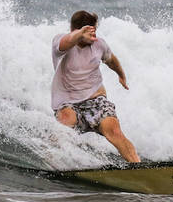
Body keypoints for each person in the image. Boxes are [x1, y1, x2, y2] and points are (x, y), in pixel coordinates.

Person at [51, 10, 140, 162]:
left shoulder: (99, 44)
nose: (94, 36)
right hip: (68, 103)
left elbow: (110, 60)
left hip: (96, 100)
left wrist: (121, 75)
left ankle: (138, 167)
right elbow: (67, 41)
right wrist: (79, 34)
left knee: (114, 130)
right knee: (66, 119)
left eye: (94, 31)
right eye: (89, 32)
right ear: (76, 30)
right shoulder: (61, 42)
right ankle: (51, 159)